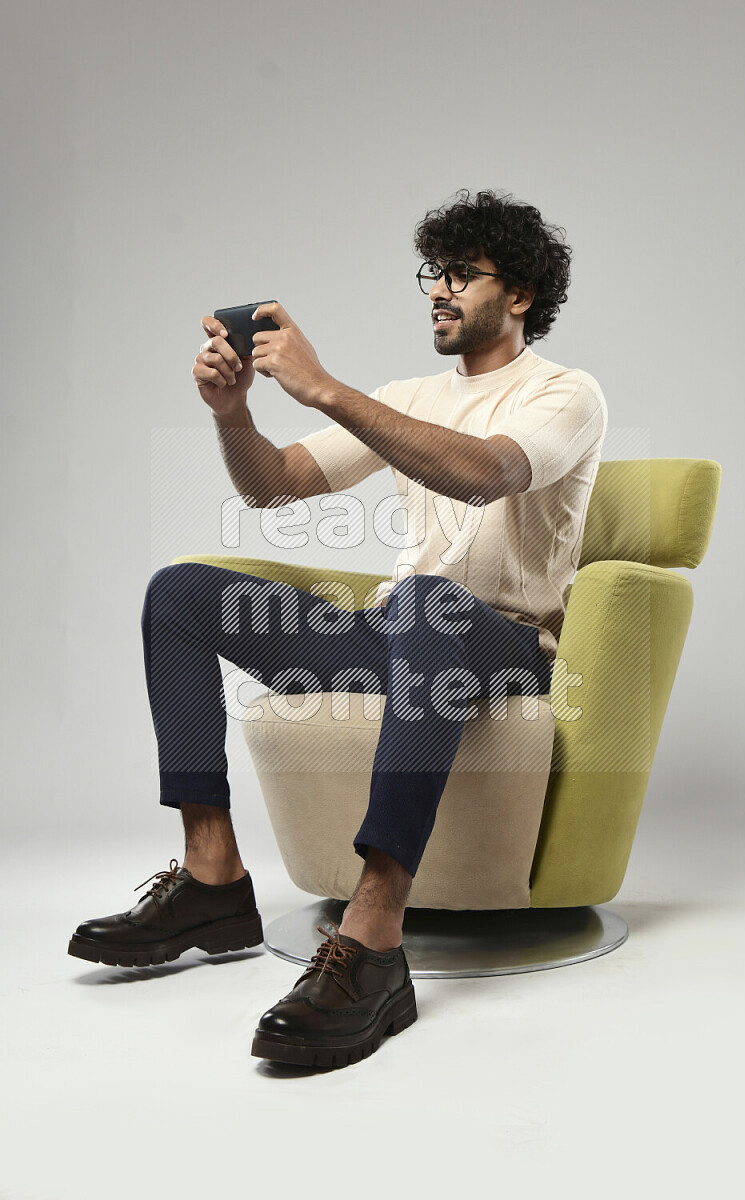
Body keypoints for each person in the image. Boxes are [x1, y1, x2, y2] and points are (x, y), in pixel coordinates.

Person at [67, 188, 608, 1070]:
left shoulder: (565, 395)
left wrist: (323, 389)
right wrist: (234, 414)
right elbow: (271, 484)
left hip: (506, 646)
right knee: (183, 594)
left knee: (433, 609)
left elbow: (483, 475)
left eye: (463, 274)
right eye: (433, 271)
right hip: (401, 637)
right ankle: (211, 878)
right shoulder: (408, 395)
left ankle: (373, 939)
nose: (438, 288)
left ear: (519, 296)